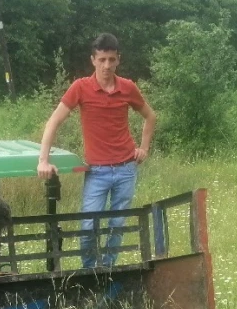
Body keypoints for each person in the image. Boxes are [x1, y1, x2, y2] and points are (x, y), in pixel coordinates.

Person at [37, 32, 156, 269]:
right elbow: (53, 122)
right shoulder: (81, 87)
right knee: (88, 226)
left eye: (111, 60)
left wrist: (143, 148)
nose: (106, 65)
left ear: (118, 59)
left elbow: (150, 116)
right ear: (93, 60)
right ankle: (89, 271)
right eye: (102, 60)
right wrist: (43, 160)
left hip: (126, 169)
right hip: (97, 171)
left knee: (116, 225)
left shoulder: (128, 88)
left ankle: (109, 270)